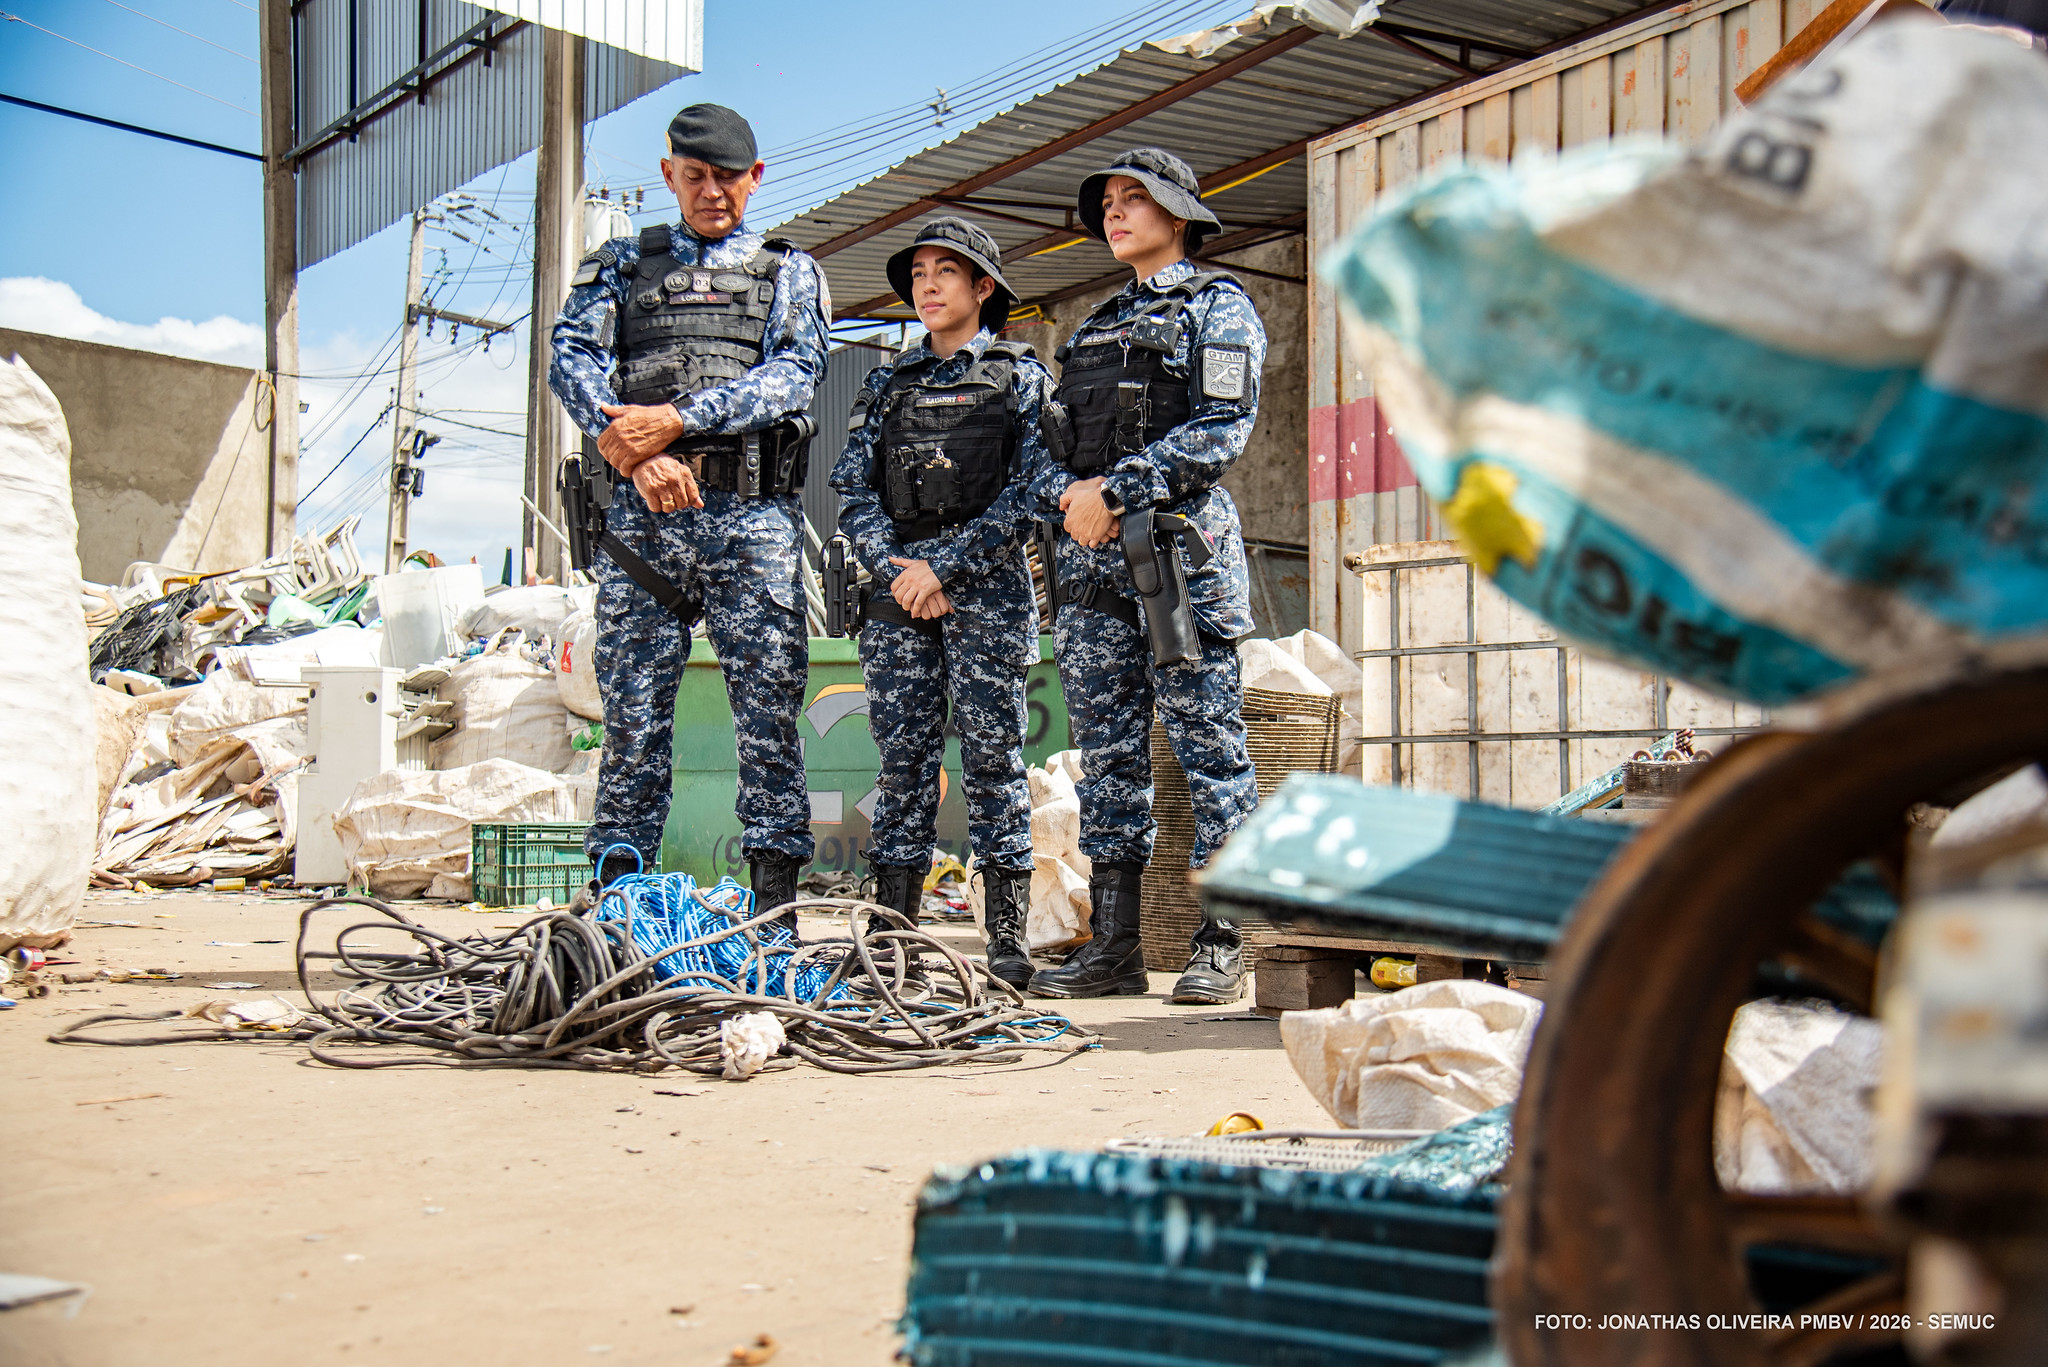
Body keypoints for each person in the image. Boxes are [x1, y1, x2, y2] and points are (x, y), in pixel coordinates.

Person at [548, 103, 829, 926]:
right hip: (645, 519)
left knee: (770, 716)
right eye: (696, 176)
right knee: (632, 720)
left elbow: (796, 374)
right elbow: (572, 358)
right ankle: (618, 907)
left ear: (756, 179)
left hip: (751, 517)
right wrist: (633, 449)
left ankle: (773, 912)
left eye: (729, 178)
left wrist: (676, 420)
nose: (713, 193)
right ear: (668, 173)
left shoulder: (788, 272)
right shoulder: (620, 265)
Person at [1024, 148, 1265, 1005]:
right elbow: (1051, 447)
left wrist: (1113, 490)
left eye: (1137, 200)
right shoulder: (1090, 328)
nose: (1117, 213)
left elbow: (1221, 428)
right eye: (1110, 203)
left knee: (1209, 748)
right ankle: (1116, 945)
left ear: (1180, 215)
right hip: (1094, 571)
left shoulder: (1219, 308)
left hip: (1176, 559)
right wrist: (1069, 496)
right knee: (1111, 760)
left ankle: (1223, 937)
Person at [827, 218, 1049, 987]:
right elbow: (851, 488)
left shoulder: (1021, 378)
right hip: (898, 600)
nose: (925, 284)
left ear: (983, 288)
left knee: (994, 763)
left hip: (985, 595)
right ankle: (893, 940)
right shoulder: (887, 384)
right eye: (918, 272)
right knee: (904, 766)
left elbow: (1034, 492)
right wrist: (899, 569)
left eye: (944, 271)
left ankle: (1008, 941)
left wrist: (943, 567)